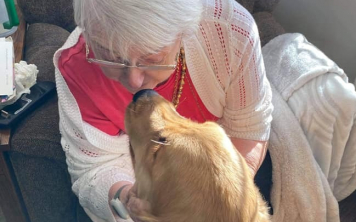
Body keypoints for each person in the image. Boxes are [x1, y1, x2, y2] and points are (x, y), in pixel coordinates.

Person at [54, 0, 273, 221]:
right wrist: (127, 198)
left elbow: (249, 130)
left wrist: (215, 203)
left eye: (152, 58)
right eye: (112, 58)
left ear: (183, 33)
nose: (134, 81)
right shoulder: (77, 66)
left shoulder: (230, 31)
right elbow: (93, 169)